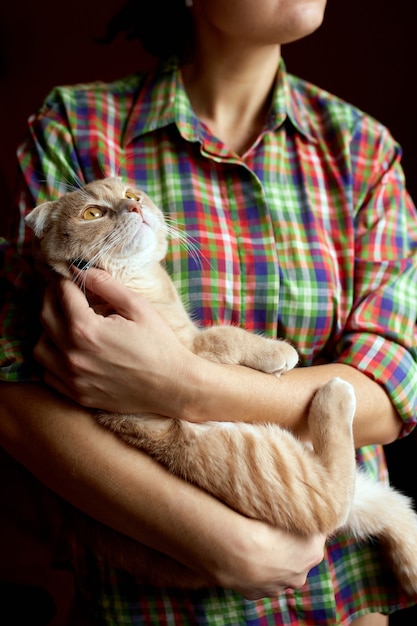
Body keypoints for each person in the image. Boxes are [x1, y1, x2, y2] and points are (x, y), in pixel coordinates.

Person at [0, 0, 416, 623]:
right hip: (154, 607)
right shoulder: (76, 126)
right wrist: (221, 544)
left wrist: (186, 383)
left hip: (341, 603)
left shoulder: (363, 151)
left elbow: (391, 390)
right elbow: (12, 392)